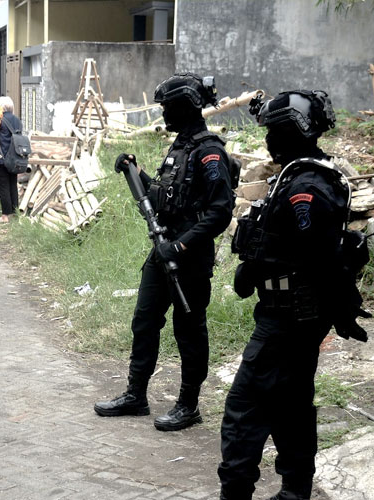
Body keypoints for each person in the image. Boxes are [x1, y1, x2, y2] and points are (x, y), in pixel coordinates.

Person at [219, 90, 370, 500]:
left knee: (242, 414)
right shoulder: (300, 174)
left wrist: (261, 266)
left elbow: (318, 257)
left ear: (291, 130)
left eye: (273, 130)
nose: (267, 138)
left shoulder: (307, 185)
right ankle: (295, 492)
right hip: (289, 316)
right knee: (291, 406)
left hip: (288, 320)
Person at [94, 73, 235, 432]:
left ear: (185, 107)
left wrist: (182, 244)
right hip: (162, 250)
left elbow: (220, 212)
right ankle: (135, 395)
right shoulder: (179, 148)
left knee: (189, 331)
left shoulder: (209, 152)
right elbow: (162, 197)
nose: (163, 113)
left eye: (168, 107)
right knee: (144, 321)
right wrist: (134, 169)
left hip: (189, 257)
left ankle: (189, 405)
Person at [0, 96, 22, 223]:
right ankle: (14, 213)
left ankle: (5, 215)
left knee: (3, 186)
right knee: (12, 185)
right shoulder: (17, 120)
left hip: (1, 158)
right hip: (15, 157)